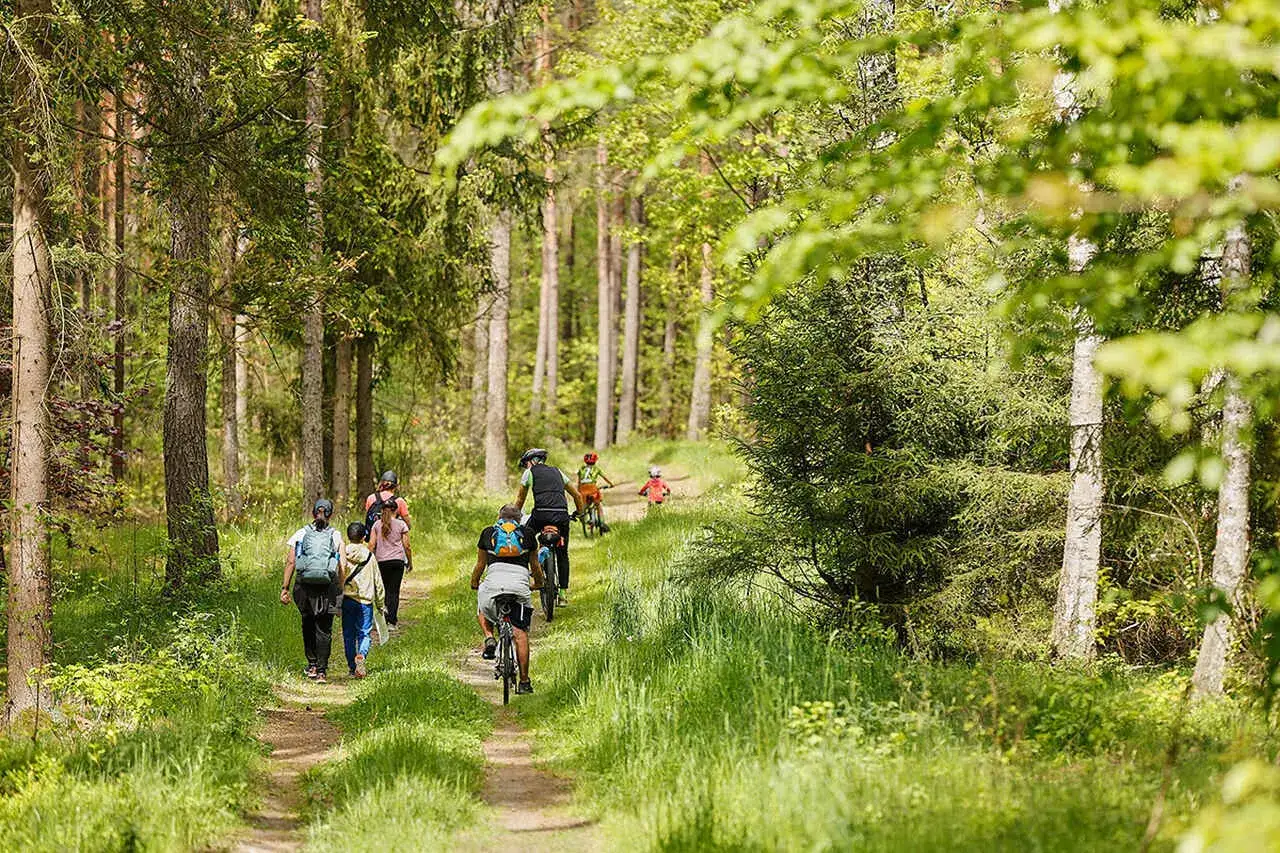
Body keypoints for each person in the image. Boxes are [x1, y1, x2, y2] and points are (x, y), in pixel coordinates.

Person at [471, 504, 545, 695]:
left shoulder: (488, 533)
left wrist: (474, 583)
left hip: (494, 583)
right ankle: (524, 682)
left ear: (499, 517)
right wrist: (538, 584)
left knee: (482, 607)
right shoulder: (528, 534)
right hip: (519, 585)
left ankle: (489, 637)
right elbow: (535, 566)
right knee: (519, 633)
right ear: (519, 519)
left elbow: (480, 565)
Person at [281, 499, 344, 684]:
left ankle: (312, 665)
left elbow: (291, 561)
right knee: (324, 628)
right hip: (327, 587)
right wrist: (341, 589)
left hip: (304, 587)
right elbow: (343, 564)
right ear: (330, 515)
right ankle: (322, 672)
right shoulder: (336, 535)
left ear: (313, 514)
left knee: (307, 623)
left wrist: (285, 588)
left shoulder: (301, 533)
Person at [514, 448, 583, 606]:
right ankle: (563, 595)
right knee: (563, 553)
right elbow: (577, 496)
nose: (526, 467)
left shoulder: (529, 473)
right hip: (561, 517)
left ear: (531, 461)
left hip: (540, 516)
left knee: (526, 540)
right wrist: (579, 513)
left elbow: (520, 500)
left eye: (526, 464)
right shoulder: (558, 472)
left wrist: (513, 518)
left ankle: (531, 568)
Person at [341, 521, 384, 678]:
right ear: (364, 537)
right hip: (365, 601)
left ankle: (352, 668)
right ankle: (362, 656)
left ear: (348, 536)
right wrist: (380, 604)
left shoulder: (343, 553)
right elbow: (378, 582)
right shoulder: (369, 556)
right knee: (364, 633)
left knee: (348, 634)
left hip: (347, 599)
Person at [368, 496, 412, 628]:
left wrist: (368, 561)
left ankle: (382, 620)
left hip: (381, 561)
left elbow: (371, 545)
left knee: (383, 591)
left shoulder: (376, 525)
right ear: (396, 510)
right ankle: (392, 622)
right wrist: (410, 562)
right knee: (394, 591)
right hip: (397, 562)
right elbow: (407, 546)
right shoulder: (401, 524)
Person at [576, 452, 615, 532]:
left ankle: (585, 519)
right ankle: (602, 523)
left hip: (583, 490)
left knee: (584, 507)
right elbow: (605, 477)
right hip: (592, 489)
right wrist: (611, 484)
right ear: (595, 461)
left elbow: (579, 482)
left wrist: (579, 491)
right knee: (598, 505)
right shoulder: (596, 469)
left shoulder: (581, 469)